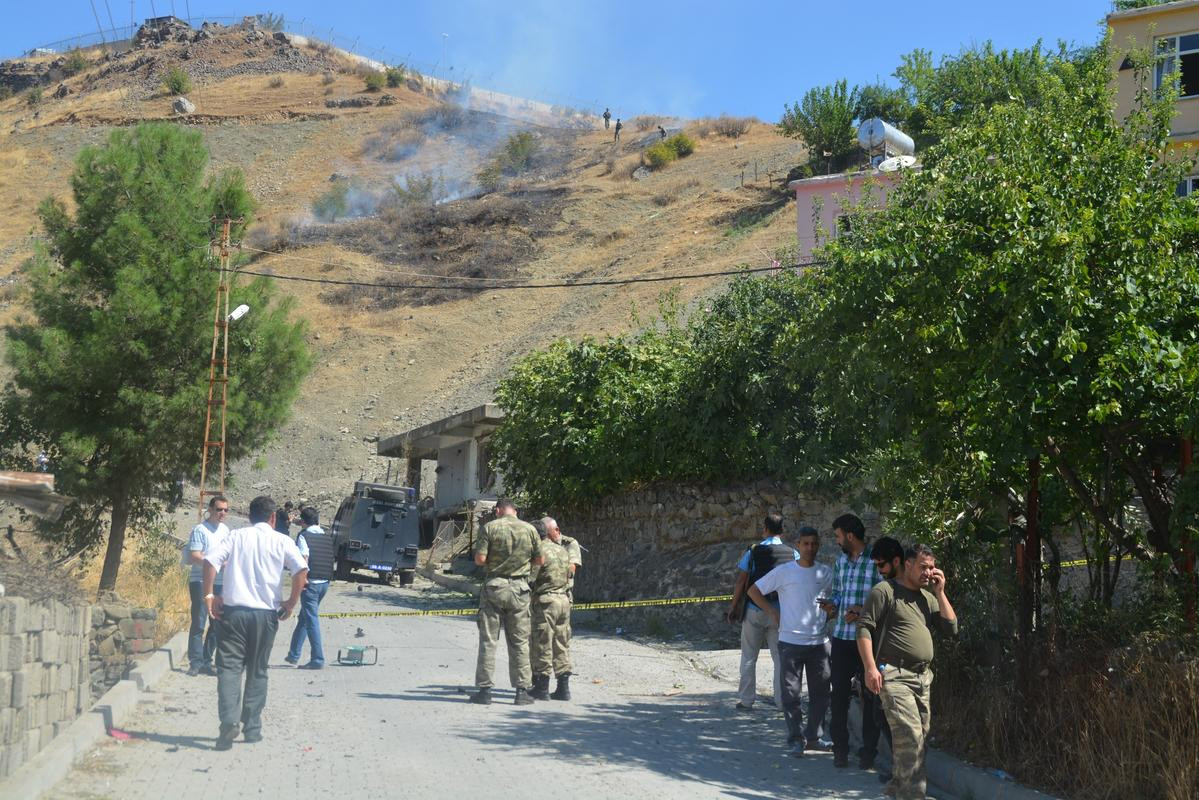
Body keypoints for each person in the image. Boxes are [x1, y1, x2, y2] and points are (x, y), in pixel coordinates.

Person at [203, 495, 308, 750]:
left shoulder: (236, 537)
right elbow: (301, 570)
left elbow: (209, 561)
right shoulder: (281, 540)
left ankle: (228, 723)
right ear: (273, 518)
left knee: (229, 669)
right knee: (258, 670)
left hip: (234, 613)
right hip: (265, 616)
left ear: (250, 517)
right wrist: (291, 603)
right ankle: (252, 728)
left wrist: (209, 595)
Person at [857, 543, 958, 800]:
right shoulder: (885, 591)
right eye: (923, 567)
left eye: (932, 567)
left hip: (922, 677)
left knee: (917, 742)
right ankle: (912, 796)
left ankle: (896, 790)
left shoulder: (928, 598)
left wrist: (941, 591)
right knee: (911, 740)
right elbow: (864, 629)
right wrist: (870, 668)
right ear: (908, 564)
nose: (928, 572)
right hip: (894, 675)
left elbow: (951, 628)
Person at [747, 525, 834, 758]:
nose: (810, 548)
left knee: (821, 695)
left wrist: (832, 611)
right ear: (797, 546)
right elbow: (753, 591)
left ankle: (814, 737)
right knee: (790, 695)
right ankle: (796, 738)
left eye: (814, 543)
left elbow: (832, 604)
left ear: (819, 545)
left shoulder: (826, 573)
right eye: (805, 543)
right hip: (790, 641)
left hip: (819, 642)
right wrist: (772, 613)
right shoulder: (785, 571)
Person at [819, 512, 884, 769]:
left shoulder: (875, 562)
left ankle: (868, 754)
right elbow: (838, 594)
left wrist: (862, 610)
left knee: (870, 698)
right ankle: (840, 751)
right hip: (842, 639)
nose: (836, 541)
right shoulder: (840, 563)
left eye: (837, 536)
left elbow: (884, 599)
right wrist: (831, 606)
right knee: (839, 697)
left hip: (867, 641)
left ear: (849, 535)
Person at [470, 498, 543, 705]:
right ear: (515, 510)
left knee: (488, 640)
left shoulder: (489, 528)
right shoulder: (530, 530)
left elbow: (480, 560)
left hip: (494, 587)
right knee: (519, 641)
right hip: (520, 590)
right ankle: (521, 692)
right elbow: (540, 560)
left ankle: (484, 691)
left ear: (498, 510)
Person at [727, 512, 797, 710]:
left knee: (749, 656)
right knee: (780, 658)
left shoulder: (753, 550)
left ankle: (747, 701)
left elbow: (741, 580)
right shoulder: (793, 553)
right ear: (782, 531)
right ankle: (782, 702)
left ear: (765, 529)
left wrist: (733, 607)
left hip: (754, 609)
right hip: (780, 613)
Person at [528, 515, 575, 701]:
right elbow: (569, 574)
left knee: (542, 643)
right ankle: (563, 689)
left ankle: (542, 687)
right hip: (563, 601)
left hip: (546, 602)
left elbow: (530, 579)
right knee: (561, 643)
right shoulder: (562, 550)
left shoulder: (539, 552)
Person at [186, 496, 230, 676]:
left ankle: (206, 660)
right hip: (200, 580)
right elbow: (194, 556)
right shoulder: (200, 530)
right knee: (199, 622)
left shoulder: (226, 530)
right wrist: (214, 563)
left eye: (226, 510)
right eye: (219, 509)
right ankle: (195, 662)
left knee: (217, 623)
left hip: (220, 582)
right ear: (210, 509)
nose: (222, 513)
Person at [286, 506, 333, 670]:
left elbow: (303, 559)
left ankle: (317, 658)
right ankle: (293, 654)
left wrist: (301, 580)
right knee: (305, 617)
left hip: (311, 583)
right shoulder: (327, 536)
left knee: (311, 620)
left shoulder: (304, 536)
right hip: (325, 583)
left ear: (303, 522)